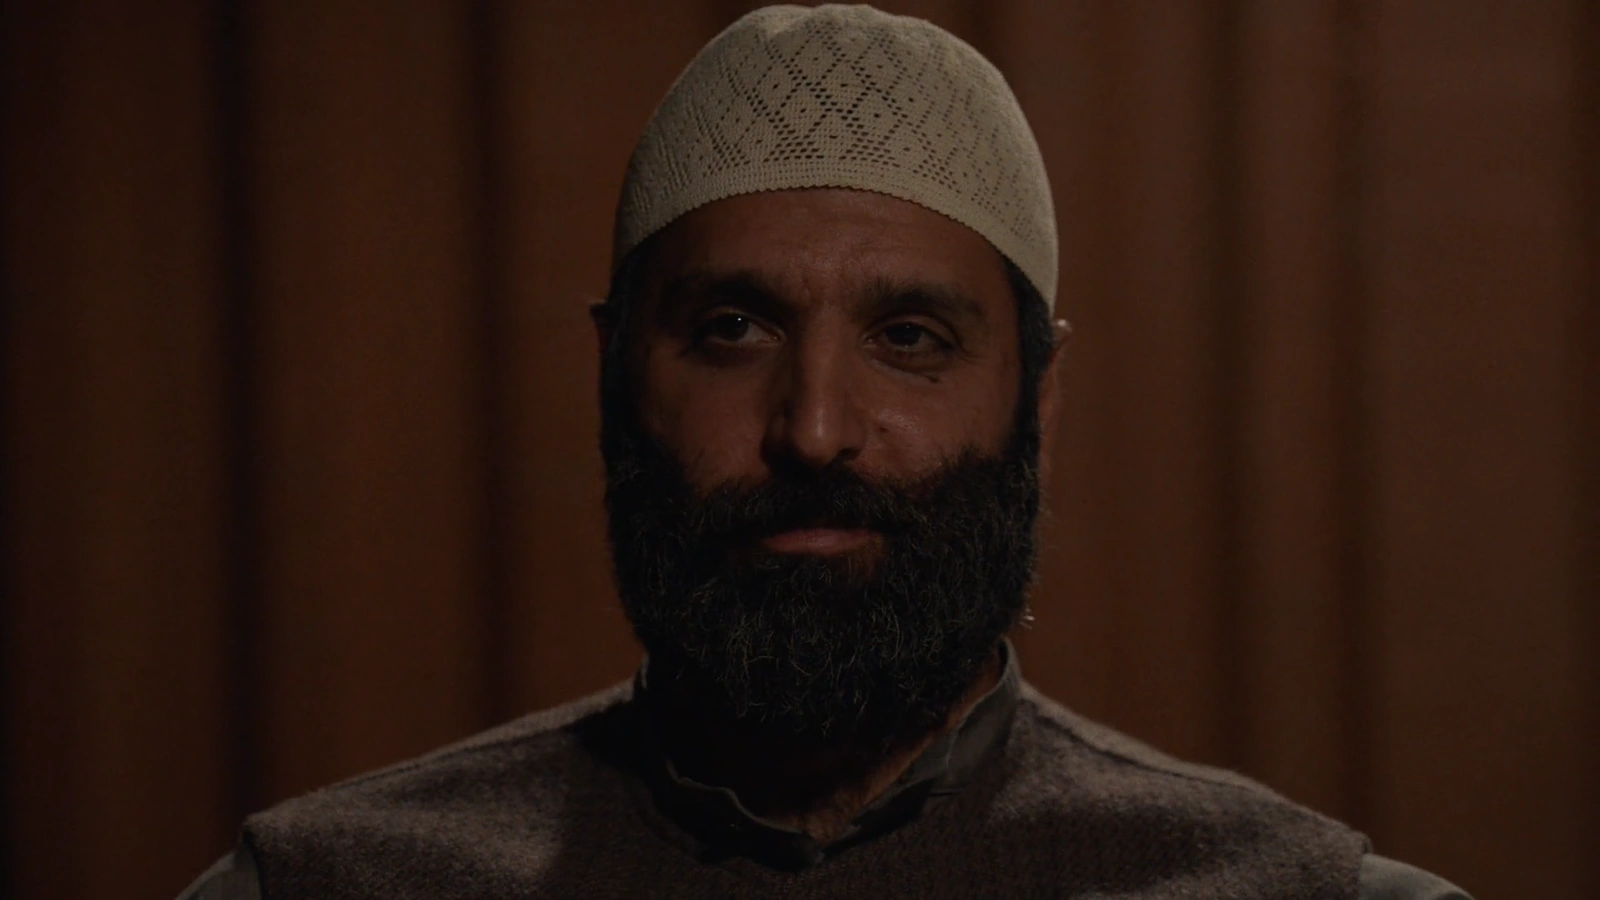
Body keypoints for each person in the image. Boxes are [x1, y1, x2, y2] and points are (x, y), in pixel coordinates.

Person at [179, 6, 1471, 898]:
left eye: (909, 338)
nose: (812, 428)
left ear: (1039, 396)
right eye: (731, 331)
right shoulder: (329, 885)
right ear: (615, 374)